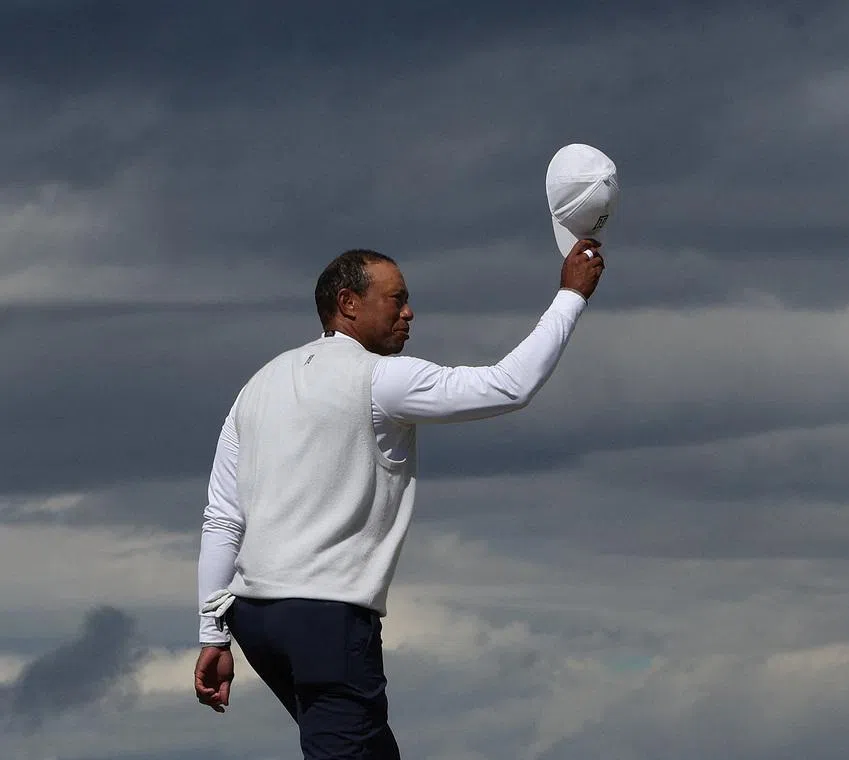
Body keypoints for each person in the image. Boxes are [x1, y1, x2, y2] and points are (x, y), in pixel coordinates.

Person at [193, 239, 605, 759]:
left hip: (253, 617)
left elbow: (222, 520)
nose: (409, 312)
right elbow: (510, 386)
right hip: (326, 618)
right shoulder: (380, 379)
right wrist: (570, 295)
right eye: (396, 299)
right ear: (348, 304)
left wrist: (213, 634)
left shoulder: (256, 387)